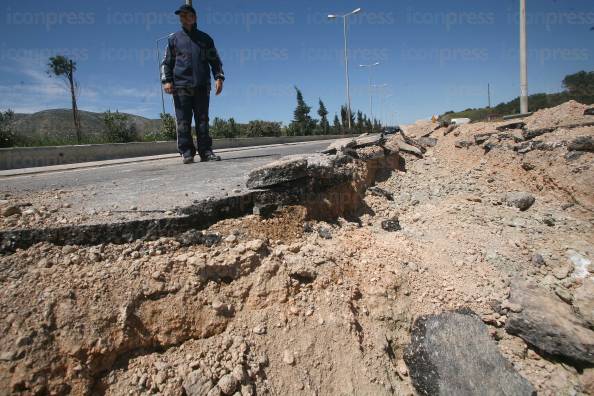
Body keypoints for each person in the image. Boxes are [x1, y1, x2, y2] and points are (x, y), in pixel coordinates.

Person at [160, 4, 225, 164]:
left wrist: (219, 77)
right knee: (183, 120)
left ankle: (206, 151)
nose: (183, 18)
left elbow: (215, 60)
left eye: (186, 15)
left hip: (202, 85)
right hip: (181, 86)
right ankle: (187, 151)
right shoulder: (174, 39)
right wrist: (167, 80)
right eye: (180, 16)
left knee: (203, 119)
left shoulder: (205, 39)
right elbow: (166, 63)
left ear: (194, 17)